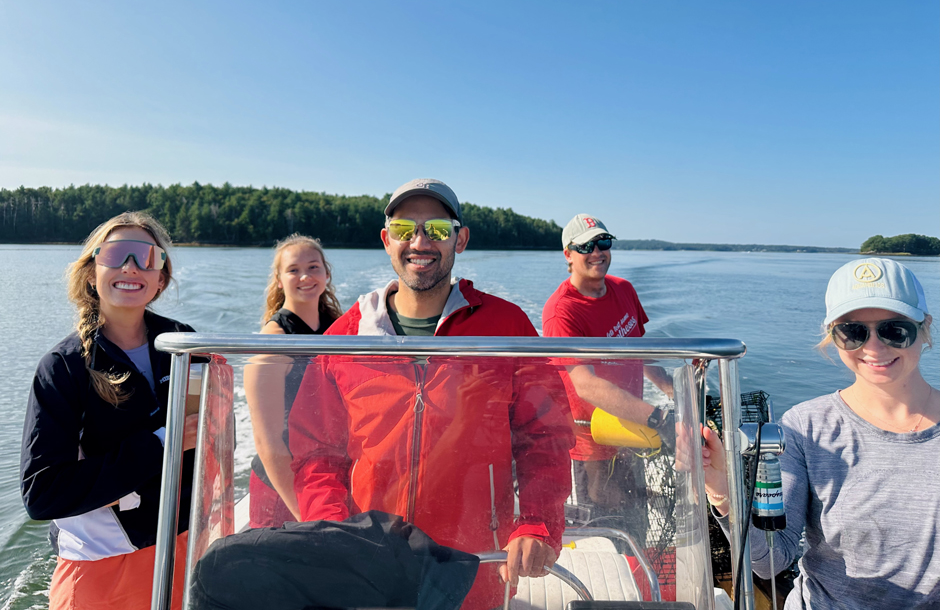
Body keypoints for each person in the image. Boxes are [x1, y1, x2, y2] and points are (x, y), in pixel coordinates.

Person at [288, 178, 575, 610]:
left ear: (460, 239)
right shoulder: (346, 337)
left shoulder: (506, 327)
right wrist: (333, 533)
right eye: (405, 229)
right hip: (369, 568)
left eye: (437, 229)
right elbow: (316, 455)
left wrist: (537, 522)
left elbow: (545, 436)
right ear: (387, 241)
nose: (419, 242)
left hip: (477, 565)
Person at [702, 258, 940, 609]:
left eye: (894, 329)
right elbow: (771, 560)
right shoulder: (805, 426)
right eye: (853, 331)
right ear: (832, 335)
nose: (873, 348)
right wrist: (723, 491)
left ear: (924, 328)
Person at [20, 212, 199, 610]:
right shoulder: (63, 367)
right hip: (102, 567)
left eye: (145, 257)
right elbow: (42, 494)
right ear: (91, 272)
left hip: (183, 546)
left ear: (161, 278)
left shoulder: (186, 344)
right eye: (116, 254)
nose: (130, 267)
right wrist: (161, 444)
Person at [541, 213, 674, 541]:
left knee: (637, 521)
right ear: (568, 255)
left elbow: (638, 351)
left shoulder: (624, 290)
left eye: (603, 243)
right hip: (592, 440)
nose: (597, 252)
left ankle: (641, 580)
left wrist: (673, 390)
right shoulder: (561, 311)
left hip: (631, 426)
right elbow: (584, 384)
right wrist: (659, 419)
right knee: (605, 527)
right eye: (585, 246)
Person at [244, 234, 343, 527]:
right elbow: (267, 441)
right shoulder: (274, 341)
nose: (305, 276)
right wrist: (303, 512)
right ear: (278, 280)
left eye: (313, 267)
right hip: (283, 488)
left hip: (325, 477)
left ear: (326, 274)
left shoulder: (337, 330)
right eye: (293, 269)